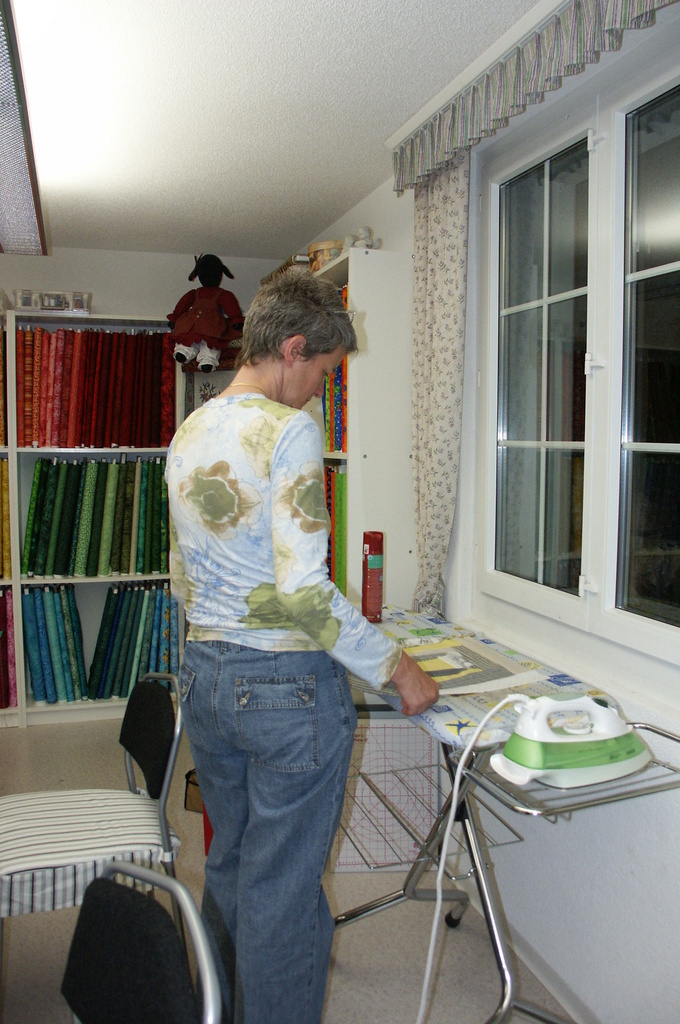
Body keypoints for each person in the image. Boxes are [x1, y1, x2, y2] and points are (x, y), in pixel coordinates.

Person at [165, 266, 438, 1024]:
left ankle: (221, 1010)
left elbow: (182, 575)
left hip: (205, 674)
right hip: (283, 692)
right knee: (283, 892)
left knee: (231, 863)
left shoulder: (191, 429)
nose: (321, 388)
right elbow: (305, 594)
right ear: (292, 349)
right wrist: (397, 668)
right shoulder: (289, 430)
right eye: (322, 370)